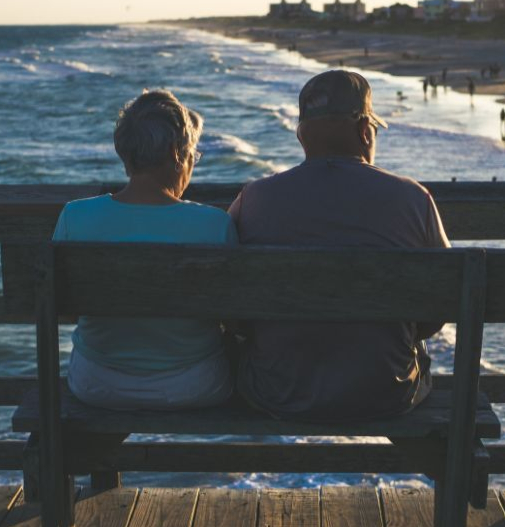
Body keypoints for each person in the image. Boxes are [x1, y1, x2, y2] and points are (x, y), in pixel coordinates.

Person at [228, 70, 450, 422]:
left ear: (302, 137)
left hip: (278, 391)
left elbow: (228, 300)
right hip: (386, 393)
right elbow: (445, 298)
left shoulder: (252, 199)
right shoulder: (413, 198)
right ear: (365, 132)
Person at [53, 90, 236, 410]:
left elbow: (65, 309)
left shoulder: (75, 216)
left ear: (125, 154)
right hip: (193, 386)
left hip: (96, 384)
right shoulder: (214, 224)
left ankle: (96, 461)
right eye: (193, 153)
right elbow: (234, 317)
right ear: (175, 152)